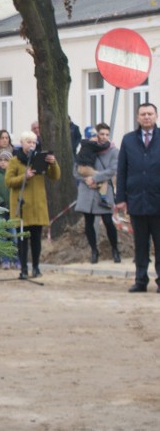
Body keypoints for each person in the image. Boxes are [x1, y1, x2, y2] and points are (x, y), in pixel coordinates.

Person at [116, 103, 160, 293]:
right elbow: (122, 170)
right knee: (140, 245)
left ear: (156, 116)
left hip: (158, 201)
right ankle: (140, 280)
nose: (147, 117)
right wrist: (121, 198)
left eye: (150, 114)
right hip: (136, 201)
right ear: (137, 117)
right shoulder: (128, 140)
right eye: (143, 114)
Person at [5, 130, 60, 279]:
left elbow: (55, 176)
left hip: (37, 206)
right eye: (28, 142)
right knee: (22, 241)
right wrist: (25, 176)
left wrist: (53, 163)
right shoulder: (15, 161)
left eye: (34, 142)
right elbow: (8, 181)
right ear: (22, 143)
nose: (31, 145)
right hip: (22, 207)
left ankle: (36, 267)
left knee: (36, 240)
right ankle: (23, 268)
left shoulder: (40, 159)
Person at [74, 123, 120, 265]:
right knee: (88, 222)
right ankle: (94, 250)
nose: (104, 137)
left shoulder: (113, 151)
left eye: (107, 134)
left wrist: (95, 178)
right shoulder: (86, 148)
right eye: (102, 134)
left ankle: (115, 249)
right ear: (97, 135)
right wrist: (86, 179)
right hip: (87, 190)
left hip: (104, 190)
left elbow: (113, 170)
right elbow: (76, 170)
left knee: (108, 221)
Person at [0, 150, 19, 269]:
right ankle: (5, 259)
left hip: (12, 210)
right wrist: (1, 201)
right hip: (0, 210)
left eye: (6, 160)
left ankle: (16, 259)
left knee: (14, 235)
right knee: (2, 236)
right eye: (1, 160)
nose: (3, 162)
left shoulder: (14, 175)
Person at [75, 128, 113, 200]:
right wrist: (108, 142)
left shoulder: (85, 144)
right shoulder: (91, 144)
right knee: (104, 178)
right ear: (88, 137)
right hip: (86, 168)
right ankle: (103, 198)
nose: (96, 138)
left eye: (96, 137)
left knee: (96, 180)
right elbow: (102, 147)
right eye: (93, 137)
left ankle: (94, 186)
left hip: (81, 168)